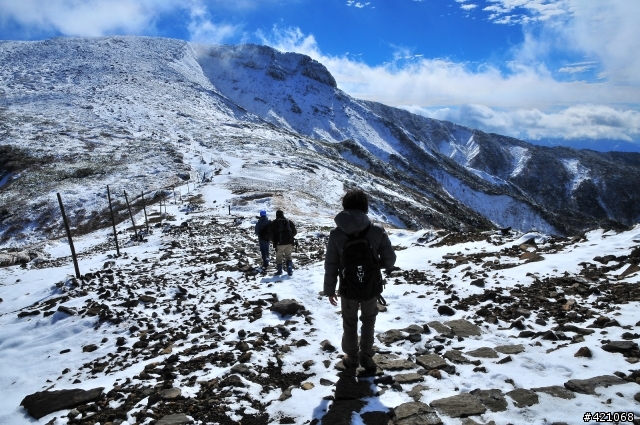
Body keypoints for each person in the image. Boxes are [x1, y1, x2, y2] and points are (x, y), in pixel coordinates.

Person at [324, 189, 396, 370]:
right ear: (365, 207)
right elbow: (390, 261)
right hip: (371, 287)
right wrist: (372, 265)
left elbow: (331, 264)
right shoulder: (377, 230)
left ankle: (351, 358)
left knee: (349, 322)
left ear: (345, 207)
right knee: (369, 320)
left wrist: (330, 290)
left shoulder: (336, 234)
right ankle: (366, 356)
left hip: (348, 287)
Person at [269, 209, 297, 276]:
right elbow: (295, 232)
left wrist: (274, 241)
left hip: (279, 243)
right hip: (289, 243)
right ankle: (289, 270)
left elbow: (271, 235)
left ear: (276, 215)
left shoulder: (274, 223)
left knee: (279, 257)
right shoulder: (289, 222)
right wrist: (289, 237)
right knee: (288, 256)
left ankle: (280, 271)